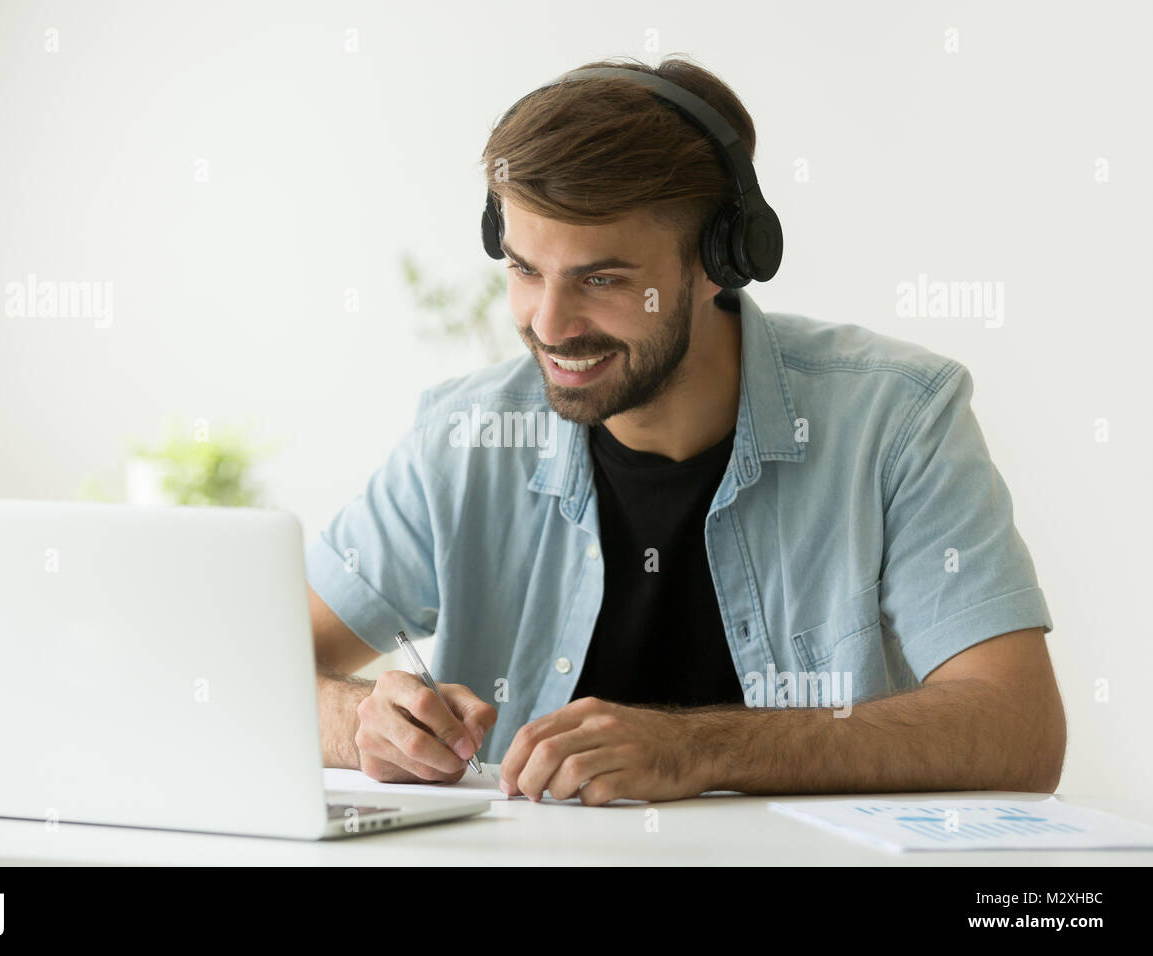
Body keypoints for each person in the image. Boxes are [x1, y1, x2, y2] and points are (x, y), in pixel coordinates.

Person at [307, 55, 1064, 805]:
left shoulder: (897, 421)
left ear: (719, 263)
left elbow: (1018, 729)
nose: (548, 324)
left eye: (601, 280)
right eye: (524, 269)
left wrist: (698, 748)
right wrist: (361, 721)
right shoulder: (465, 439)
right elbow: (241, 662)